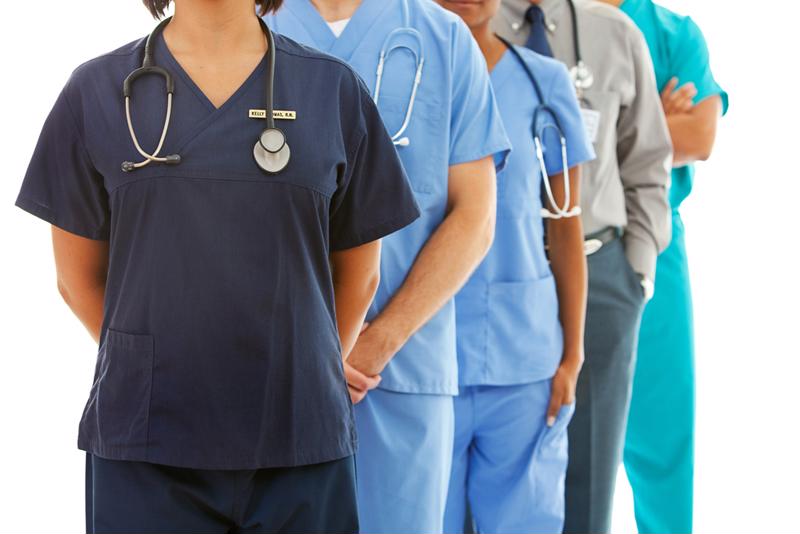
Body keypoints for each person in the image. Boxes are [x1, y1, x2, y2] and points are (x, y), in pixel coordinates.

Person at [14, 0, 421, 531]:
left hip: (300, 447)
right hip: (146, 453)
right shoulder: (95, 91)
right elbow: (77, 279)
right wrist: (151, 367)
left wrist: (301, 370)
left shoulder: (333, 92)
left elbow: (360, 274)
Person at [266, 1, 511, 532]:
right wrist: (305, 347)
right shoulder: (248, 28)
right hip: (269, 371)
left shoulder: (442, 39)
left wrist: (377, 341)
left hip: (398, 372)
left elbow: (476, 215)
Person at [494, 1, 672, 533]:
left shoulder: (615, 33)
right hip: (499, 277)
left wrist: (635, 272)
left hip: (602, 280)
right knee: (493, 469)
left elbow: (647, 161)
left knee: (589, 476)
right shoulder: (464, 23)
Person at [435, 0, 594, 531]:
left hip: (525, 360)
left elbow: (565, 224)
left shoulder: (543, 81)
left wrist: (572, 354)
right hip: (422, 355)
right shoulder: (403, 75)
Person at [596, 2, 728, 533]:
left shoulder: (675, 34)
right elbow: (543, 130)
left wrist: (604, 118)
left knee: (663, 431)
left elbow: (698, 138)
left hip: (655, 243)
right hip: (556, 237)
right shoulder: (548, 17)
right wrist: (653, 116)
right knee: (556, 430)